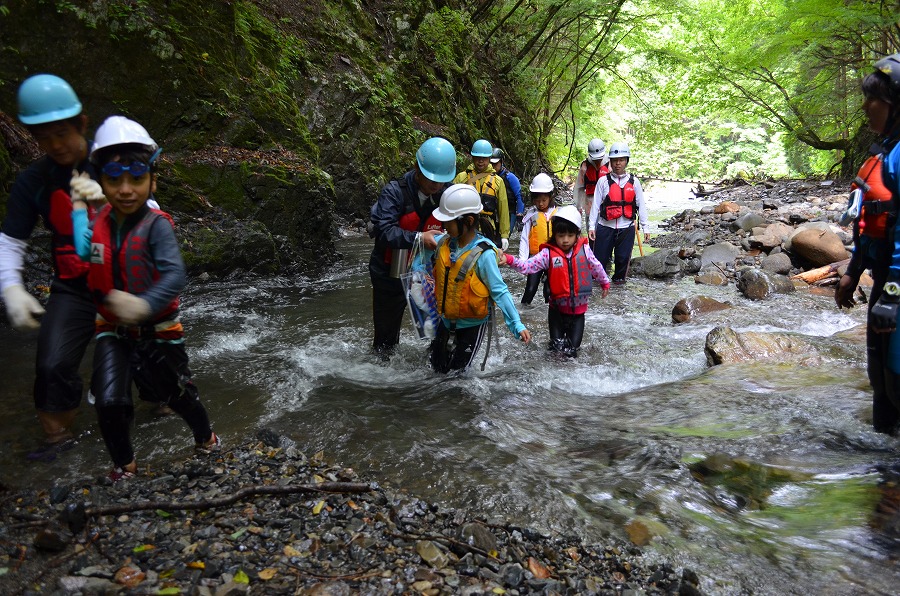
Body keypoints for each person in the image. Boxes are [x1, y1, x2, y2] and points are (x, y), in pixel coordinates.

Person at [71, 116, 219, 482]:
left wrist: (143, 305)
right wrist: (78, 207)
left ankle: (207, 438)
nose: (125, 190)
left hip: (158, 329)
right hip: (111, 329)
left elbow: (174, 275)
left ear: (152, 181)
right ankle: (125, 467)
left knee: (178, 395)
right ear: (100, 181)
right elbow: (84, 250)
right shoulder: (99, 221)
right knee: (109, 401)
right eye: (114, 180)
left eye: (136, 179)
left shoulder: (157, 225)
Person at [0, 74, 100, 460]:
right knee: (53, 363)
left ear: (82, 124)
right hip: (74, 288)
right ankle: (57, 442)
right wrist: (12, 287)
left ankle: (163, 409)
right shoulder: (34, 182)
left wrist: (105, 199)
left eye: (62, 133)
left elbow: (153, 213)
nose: (55, 145)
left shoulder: (113, 160)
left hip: (127, 282)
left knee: (154, 367)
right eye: (43, 137)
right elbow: (11, 241)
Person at [835, 53, 900, 436]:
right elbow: (872, 223)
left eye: (872, 99)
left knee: (895, 380)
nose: (864, 106)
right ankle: (883, 480)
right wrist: (852, 273)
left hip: (895, 289)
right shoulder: (884, 152)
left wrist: (892, 292)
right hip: (884, 286)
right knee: (881, 381)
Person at [417, 184, 530, 373]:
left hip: (472, 327)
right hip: (445, 321)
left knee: (457, 377)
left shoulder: (483, 254)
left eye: (449, 221)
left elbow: (499, 291)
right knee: (436, 372)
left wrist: (516, 324)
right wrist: (420, 238)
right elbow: (421, 261)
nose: (444, 226)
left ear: (468, 221)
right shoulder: (442, 243)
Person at [368, 137, 456, 356]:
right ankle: (385, 376)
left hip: (428, 273)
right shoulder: (395, 192)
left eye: (441, 181)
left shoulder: (447, 193)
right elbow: (385, 231)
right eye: (431, 180)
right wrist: (419, 237)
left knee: (437, 329)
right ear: (417, 169)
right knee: (386, 339)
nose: (436, 186)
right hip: (389, 272)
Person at [503, 205, 610, 358]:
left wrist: (604, 282)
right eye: (561, 235)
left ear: (577, 234)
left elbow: (596, 266)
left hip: (578, 315)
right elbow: (527, 267)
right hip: (556, 314)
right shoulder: (547, 254)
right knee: (555, 351)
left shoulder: (584, 251)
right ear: (554, 234)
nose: (565, 240)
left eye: (570, 235)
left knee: (572, 354)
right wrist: (508, 259)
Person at [588, 142, 649, 284]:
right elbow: (595, 204)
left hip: (626, 228)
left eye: (621, 160)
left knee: (622, 263)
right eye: (614, 160)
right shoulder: (603, 181)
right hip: (605, 227)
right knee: (599, 263)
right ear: (610, 161)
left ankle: (619, 295)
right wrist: (592, 226)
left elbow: (641, 205)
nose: (618, 163)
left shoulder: (634, 182)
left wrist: (646, 227)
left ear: (626, 161)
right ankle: (598, 295)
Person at [453, 139, 510, 250]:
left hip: (487, 227)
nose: (480, 161)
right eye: (477, 158)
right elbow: (451, 201)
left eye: (484, 158)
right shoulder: (462, 177)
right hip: (465, 226)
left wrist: (504, 235)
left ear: (489, 159)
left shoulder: (498, 181)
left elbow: (503, 209)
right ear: (472, 157)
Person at [517, 172, 558, 305]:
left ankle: (549, 317)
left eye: (544, 200)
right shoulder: (531, 215)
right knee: (530, 289)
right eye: (537, 200)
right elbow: (524, 239)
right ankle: (522, 313)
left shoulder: (558, 214)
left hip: (553, 259)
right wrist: (523, 261)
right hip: (535, 258)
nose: (540, 203)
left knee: (550, 291)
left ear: (551, 196)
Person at [574, 138, 610, 230]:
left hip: (607, 204)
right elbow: (579, 188)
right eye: (595, 159)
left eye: (599, 159)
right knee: (591, 231)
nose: (597, 162)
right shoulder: (585, 167)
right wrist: (578, 207)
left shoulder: (610, 165)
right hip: (590, 204)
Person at [490, 148, 524, 234]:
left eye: (496, 163)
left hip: (509, 212)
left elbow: (519, 196)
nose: (493, 166)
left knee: (505, 236)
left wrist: (519, 214)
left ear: (501, 162)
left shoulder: (510, 177)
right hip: (493, 212)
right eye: (491, 163)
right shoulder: (488, 178)